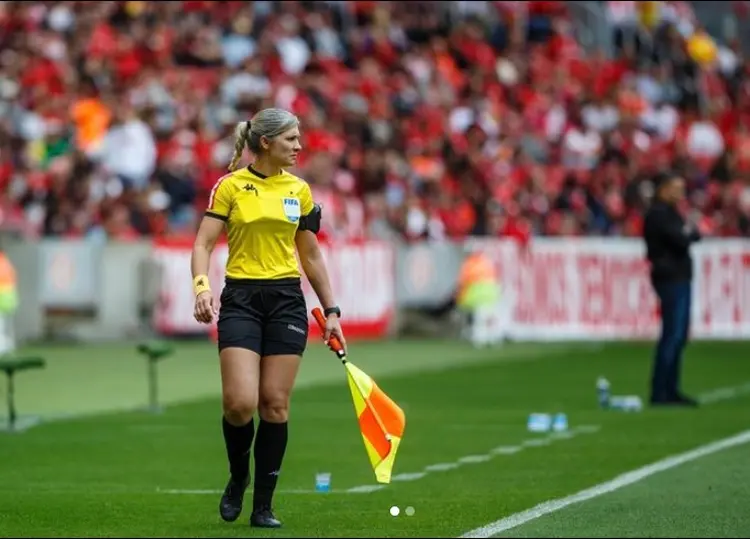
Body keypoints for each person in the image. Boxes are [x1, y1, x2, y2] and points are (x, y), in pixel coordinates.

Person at [190, 108, 345, 528]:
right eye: (291, 139)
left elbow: (310, 254)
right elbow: (203, 243)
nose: (299, 147)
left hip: (286, 302)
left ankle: (263, 506)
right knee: (239, 404)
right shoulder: (231, 186)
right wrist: (202, 288)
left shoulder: (301, 190)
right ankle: (238, 476)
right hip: (240, 299)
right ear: (265, 143)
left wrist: (331, 311)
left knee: (274, 405)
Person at [643, 172, 700, 407]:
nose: (681, 192)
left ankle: (669, 389)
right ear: (664, 189)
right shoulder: (660, 214)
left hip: (677, 276)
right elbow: (682, 238)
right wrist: (688, 232)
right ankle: (662, 391)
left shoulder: (669, 213)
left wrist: (688, 232)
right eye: (676, 187)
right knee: (673, 334)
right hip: (671, 277)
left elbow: (691, 236)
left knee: (677, 334)